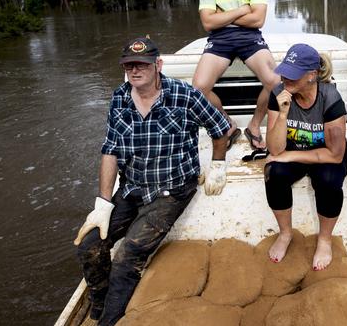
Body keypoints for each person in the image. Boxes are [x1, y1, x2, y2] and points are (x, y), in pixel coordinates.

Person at [74, 36, 232, 325]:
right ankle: (99, 304)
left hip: (172, 188)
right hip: (133, 187)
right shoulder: (119, 98)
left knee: (128, 256)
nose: (135, 71)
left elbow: (221, 129)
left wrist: (218, 165)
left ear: (158, 65)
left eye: (142, 65)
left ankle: (110, 321)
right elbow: (110, 150)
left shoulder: (185, 95)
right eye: (129, 65)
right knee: (88, 245)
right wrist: (103, 203)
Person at [264, 43, 347, 271]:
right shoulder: (278, 93)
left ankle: (324, 239)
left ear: (312, 75)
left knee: (329, 180)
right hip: (294, 148)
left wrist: (289, 155)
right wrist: (283, 114)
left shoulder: (330, 98)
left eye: (293, 74)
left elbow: (335, 154)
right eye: (285, 71)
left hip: (326, 152)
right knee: (274, 172)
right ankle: (285, 234)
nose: (285, 78)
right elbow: (275, 149)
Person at [193, 0, 279, 151]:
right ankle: (228, 124)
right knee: (199, 87)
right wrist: (242, 10)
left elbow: (258, 20)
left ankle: (254, 125)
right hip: (219, 38)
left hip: (250, 37)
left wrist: (223, 15)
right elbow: (208, 24)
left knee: (275, 81)